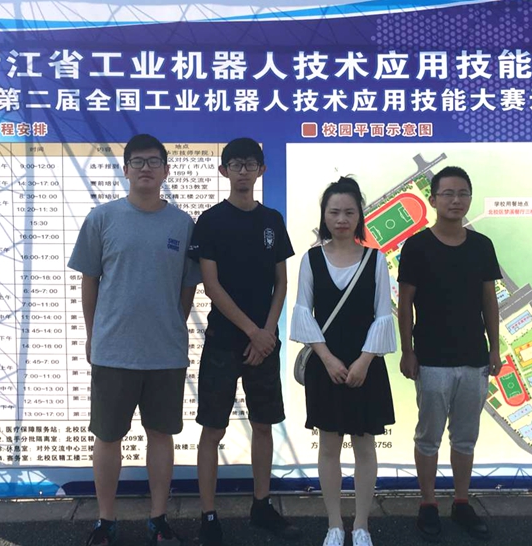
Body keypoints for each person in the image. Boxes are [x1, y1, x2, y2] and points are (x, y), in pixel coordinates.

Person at [68, 134, 201, 546]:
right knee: (108, 437)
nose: (146, 168)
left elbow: (188, 286)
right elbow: (90, 281)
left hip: (165, 353)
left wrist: (172, 324)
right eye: (138, 161)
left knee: (161, 435)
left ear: (166, 170)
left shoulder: (183, 224)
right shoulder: (102, 218)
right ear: (125, 170)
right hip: (114, 352)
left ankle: (158, 519)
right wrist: (93, 334)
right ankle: (105, 521)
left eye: (153, 161)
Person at [188, 137, 300, 546]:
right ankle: (208, 514)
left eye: (250, 164)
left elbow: (281, 282)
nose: (243, 171)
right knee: (212, 428)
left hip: (264, 342)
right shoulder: (210, 220)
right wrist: (254, 332)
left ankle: (261, 505)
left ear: (261, 170)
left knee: (264, 424)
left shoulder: (271, 219)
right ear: (223, 171)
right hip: (224, 340)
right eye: (235, 164)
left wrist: (267, 332)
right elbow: (211, 285)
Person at [397, 166, 502, 541]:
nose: (456, 200)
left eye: (463, 193)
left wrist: (495, 348)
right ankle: (428, 504)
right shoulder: (416, 246)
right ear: (433, 199)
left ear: (470, 198)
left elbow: (489, 300)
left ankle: (461, 502)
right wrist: (407, 351)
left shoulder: (482, 245)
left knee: (465, 438)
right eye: (448, 193)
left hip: (474, 358)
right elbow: (405, 303)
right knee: (428, 437)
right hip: (431, 360)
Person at [290, 177, 396, 546]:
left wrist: (364, 361)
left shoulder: (376, 259)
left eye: (349, 212)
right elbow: (303, 314)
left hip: (366, 365)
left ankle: (361, 525)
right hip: (326, 365)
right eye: (334, 212)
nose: (341, 219)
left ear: (359, 216)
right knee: (329, 446)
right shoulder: (311, 259)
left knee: (365, 447)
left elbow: (383, 316)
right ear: (324, 215)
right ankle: (335, 525)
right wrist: (328, 359)